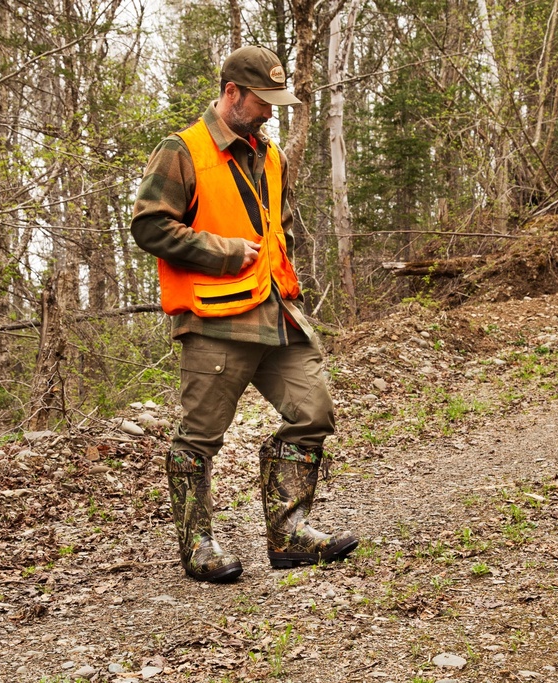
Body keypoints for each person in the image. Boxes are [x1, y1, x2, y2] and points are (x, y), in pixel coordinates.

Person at [131, 45, 357, 583]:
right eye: (263, 100)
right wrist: (224, 251)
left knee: (313, 412)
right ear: (232, 93)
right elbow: (149, 226)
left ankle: (289, 534)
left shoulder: (270, 154)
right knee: (199, 438)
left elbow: (279, 227)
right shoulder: (182, 150)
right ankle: (198, 545)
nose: (271, 111)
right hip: (215, 321)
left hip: (277, 312)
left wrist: (286, 276)